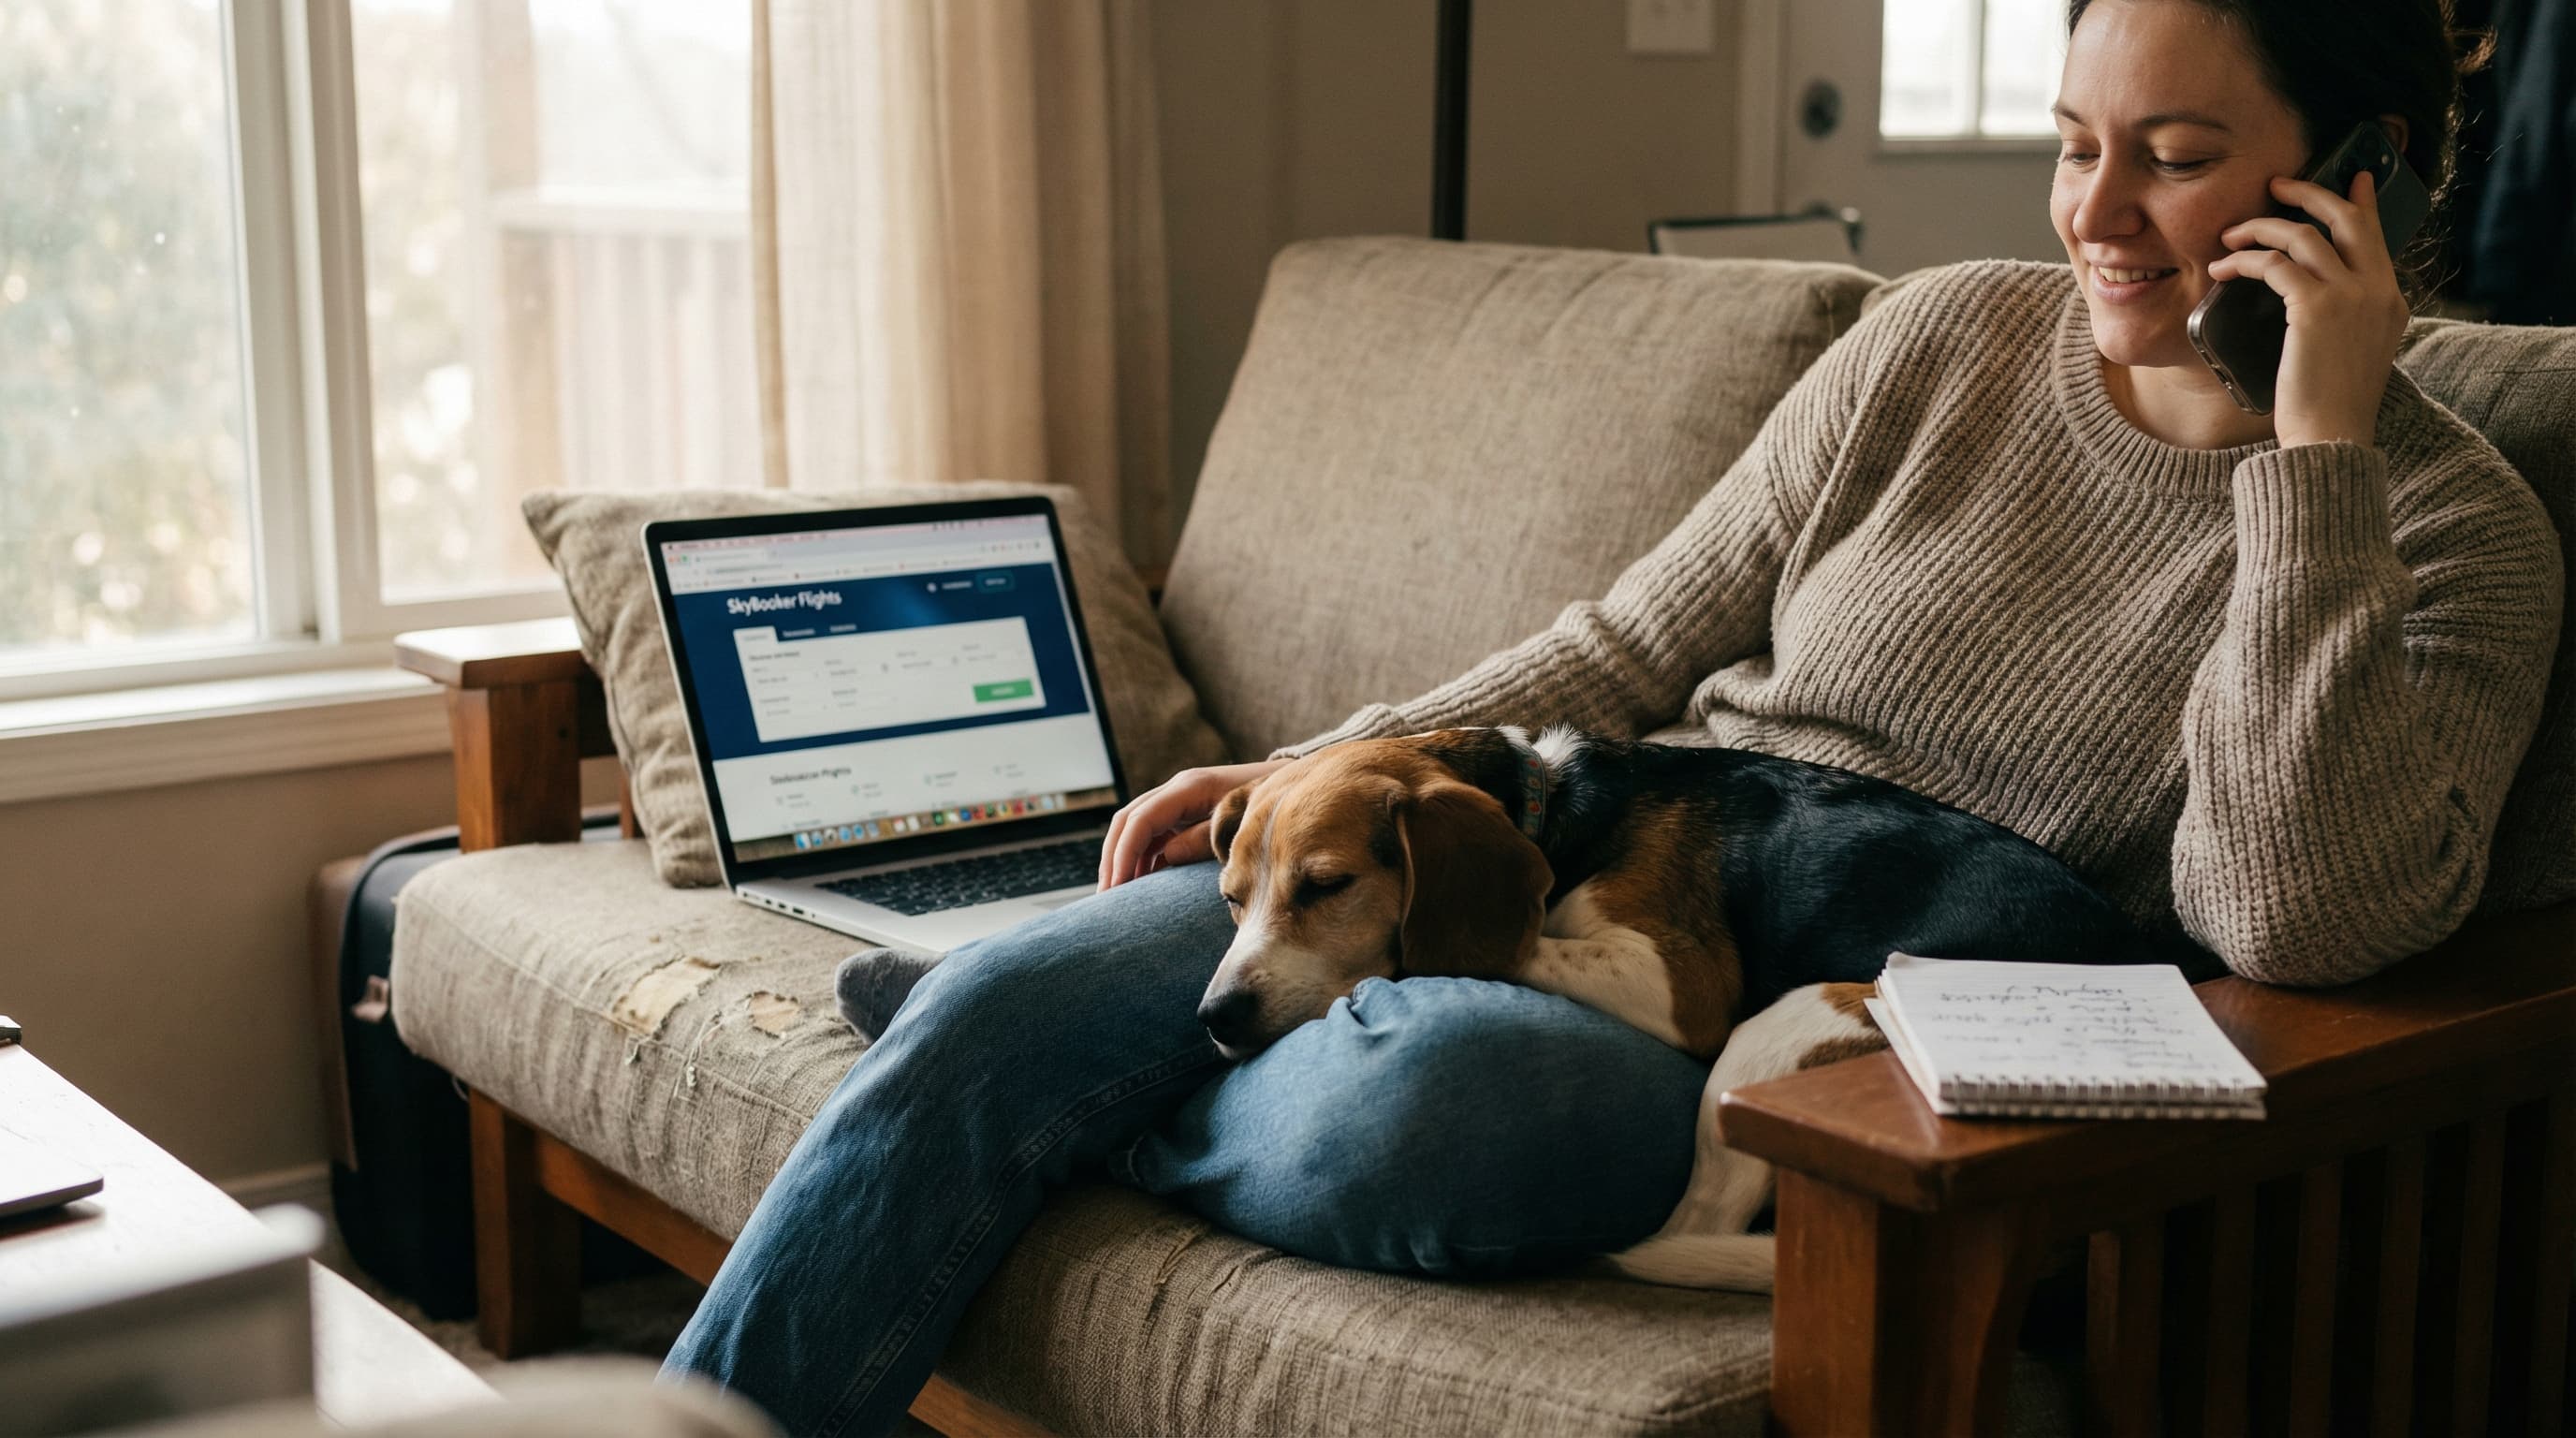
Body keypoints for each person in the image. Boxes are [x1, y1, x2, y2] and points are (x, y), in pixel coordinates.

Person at [662, 2, 2561, 1432]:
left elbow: (2294, 919)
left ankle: (1059, 1092)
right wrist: (1347, 763)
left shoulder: (2455, 528)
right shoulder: (1942, 335)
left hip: (1811, 1038)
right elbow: (1634, 640)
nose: (2094, 213)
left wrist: (2305, 463)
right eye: (2073, 145)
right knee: (1007, 987)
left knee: (1438, 1110)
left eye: (2168, 152)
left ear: (2356, 180)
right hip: (1560, 851)